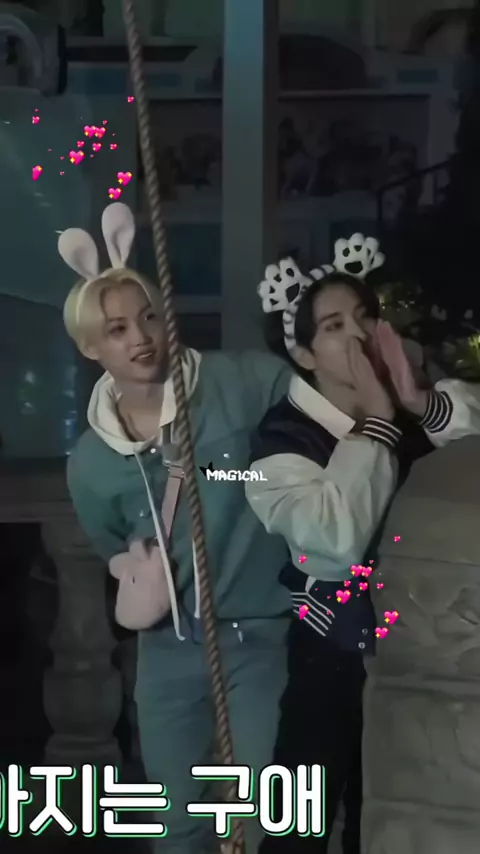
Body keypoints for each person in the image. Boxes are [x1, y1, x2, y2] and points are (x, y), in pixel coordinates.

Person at [58, 202, 293, 854]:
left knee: (252, 818)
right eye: (116, 329)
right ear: (91, 347)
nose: (140, 337)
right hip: (165, 651)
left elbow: (317, 411)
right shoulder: (92, 462)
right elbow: (109, 542)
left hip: (257, 638)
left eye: (149, 317)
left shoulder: (239, 383)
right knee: (175, 824)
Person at [246, 234, 480, 853]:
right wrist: (377, 421)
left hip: (422, 648)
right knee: (299, 818)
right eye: (333, 326)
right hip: (331, 644)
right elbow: (335, 540)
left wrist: (418, 401)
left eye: (365, 317)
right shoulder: (279, 442)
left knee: (390, 815)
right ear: (303, 353)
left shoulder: (411, 404)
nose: (357, 336)